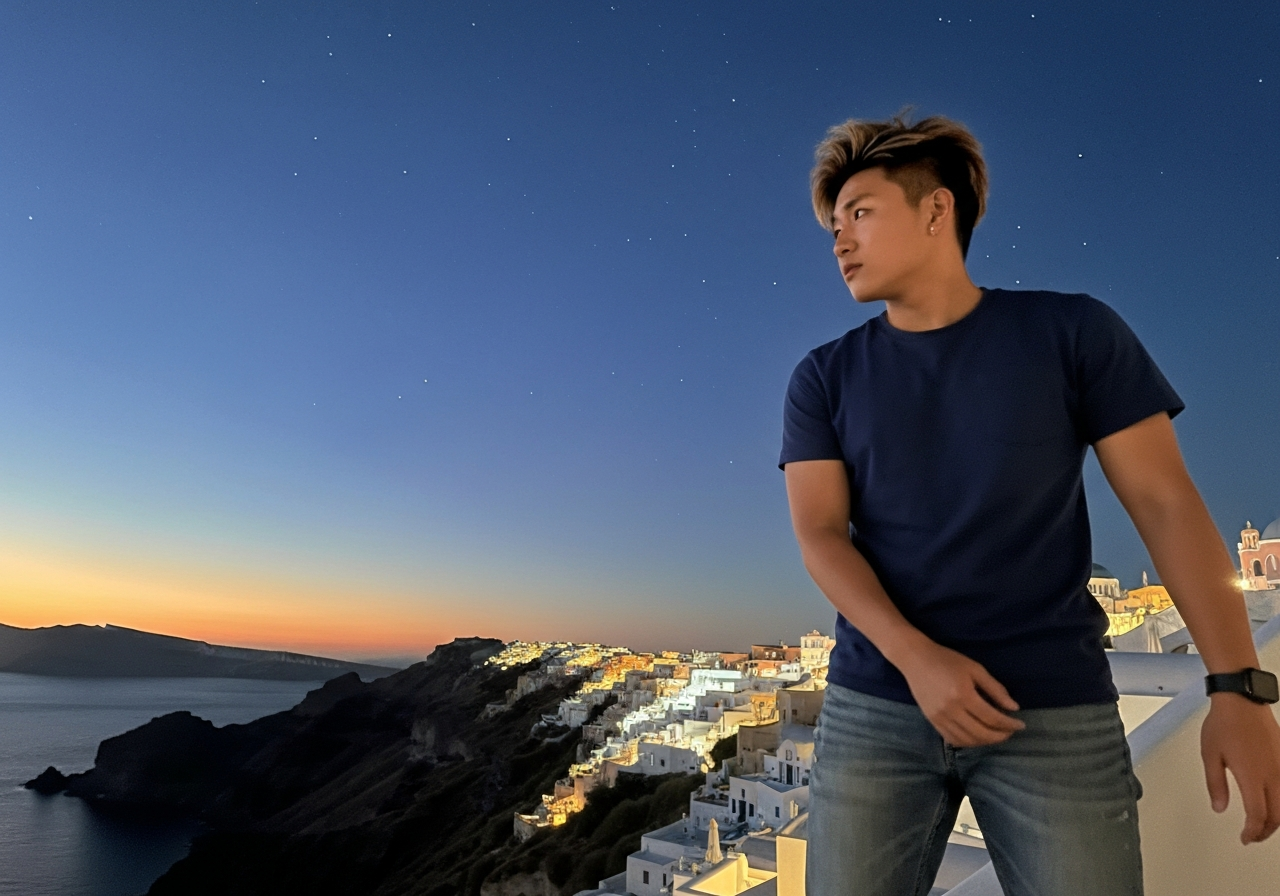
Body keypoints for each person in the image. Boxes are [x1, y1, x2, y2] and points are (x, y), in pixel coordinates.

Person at [779, 113, 1280, 896]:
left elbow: (1164, 502)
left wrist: (1238, 687)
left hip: (1051, 711)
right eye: (833, 225)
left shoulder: (1072, 332)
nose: (839, 240)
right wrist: (919, 662)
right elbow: (819, 535)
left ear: (937, 210)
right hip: (877, 708)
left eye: (861, 214)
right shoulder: (824, 377)